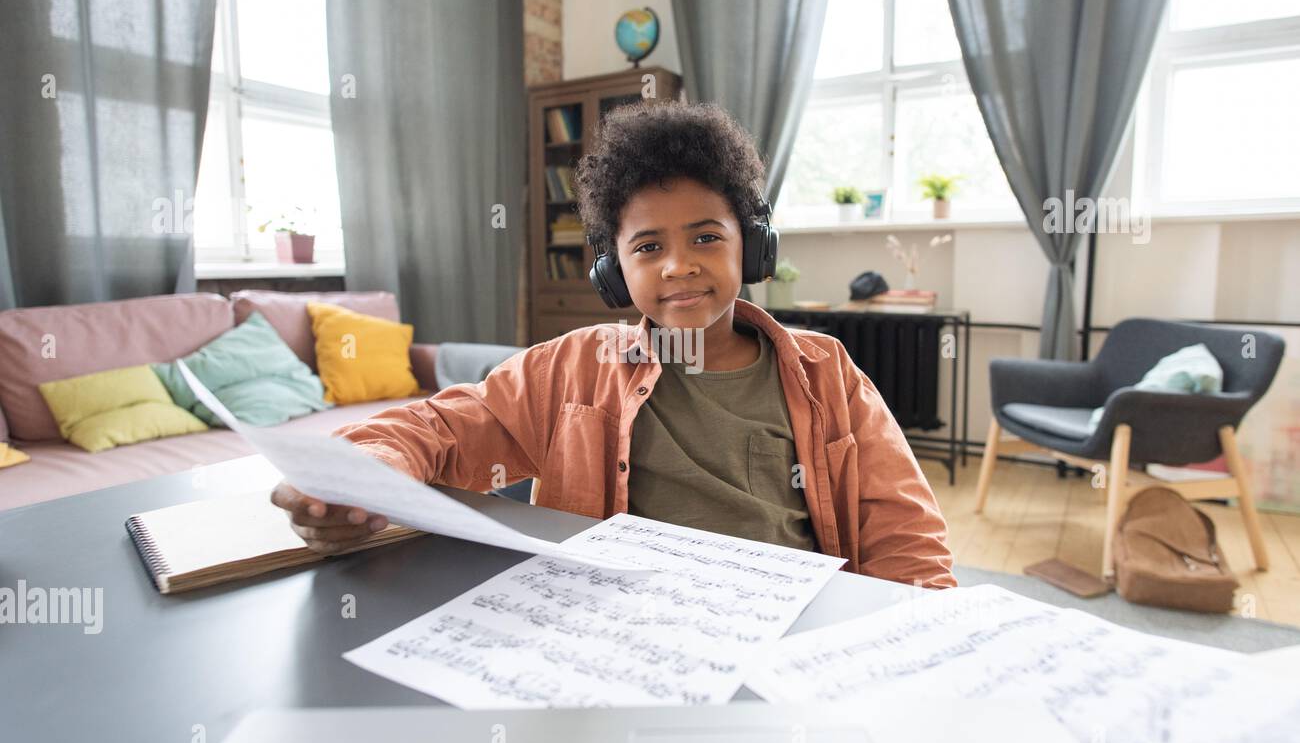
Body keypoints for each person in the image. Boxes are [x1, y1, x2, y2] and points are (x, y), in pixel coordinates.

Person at [272, 100, 955, 588]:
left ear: (753, 245)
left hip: (785, 633)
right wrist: (365, 474)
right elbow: (446, 424)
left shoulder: (825, 372)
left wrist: (915, 634)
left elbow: (904, 535)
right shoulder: (577, 366)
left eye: (706, 237)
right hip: (617, 638)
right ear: (612, 269)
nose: (677, 265)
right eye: (648, 246)